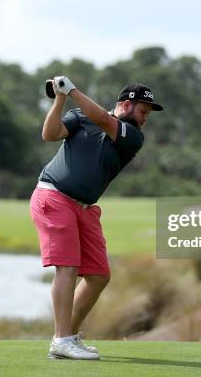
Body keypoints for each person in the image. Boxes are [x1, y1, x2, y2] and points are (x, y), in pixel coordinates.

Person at [29, 76, 163, 360]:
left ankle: (64, 338)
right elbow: (50, 134)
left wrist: (72, 90)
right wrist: (61, 99)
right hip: (54, 196)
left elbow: (103, 119)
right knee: (67, 268)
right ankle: (63, 340)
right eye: (143, 111)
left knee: (99, 275)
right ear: (127, 104)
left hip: (86, 207)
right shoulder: (80, 117)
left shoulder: (133, 135)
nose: (145, 118)